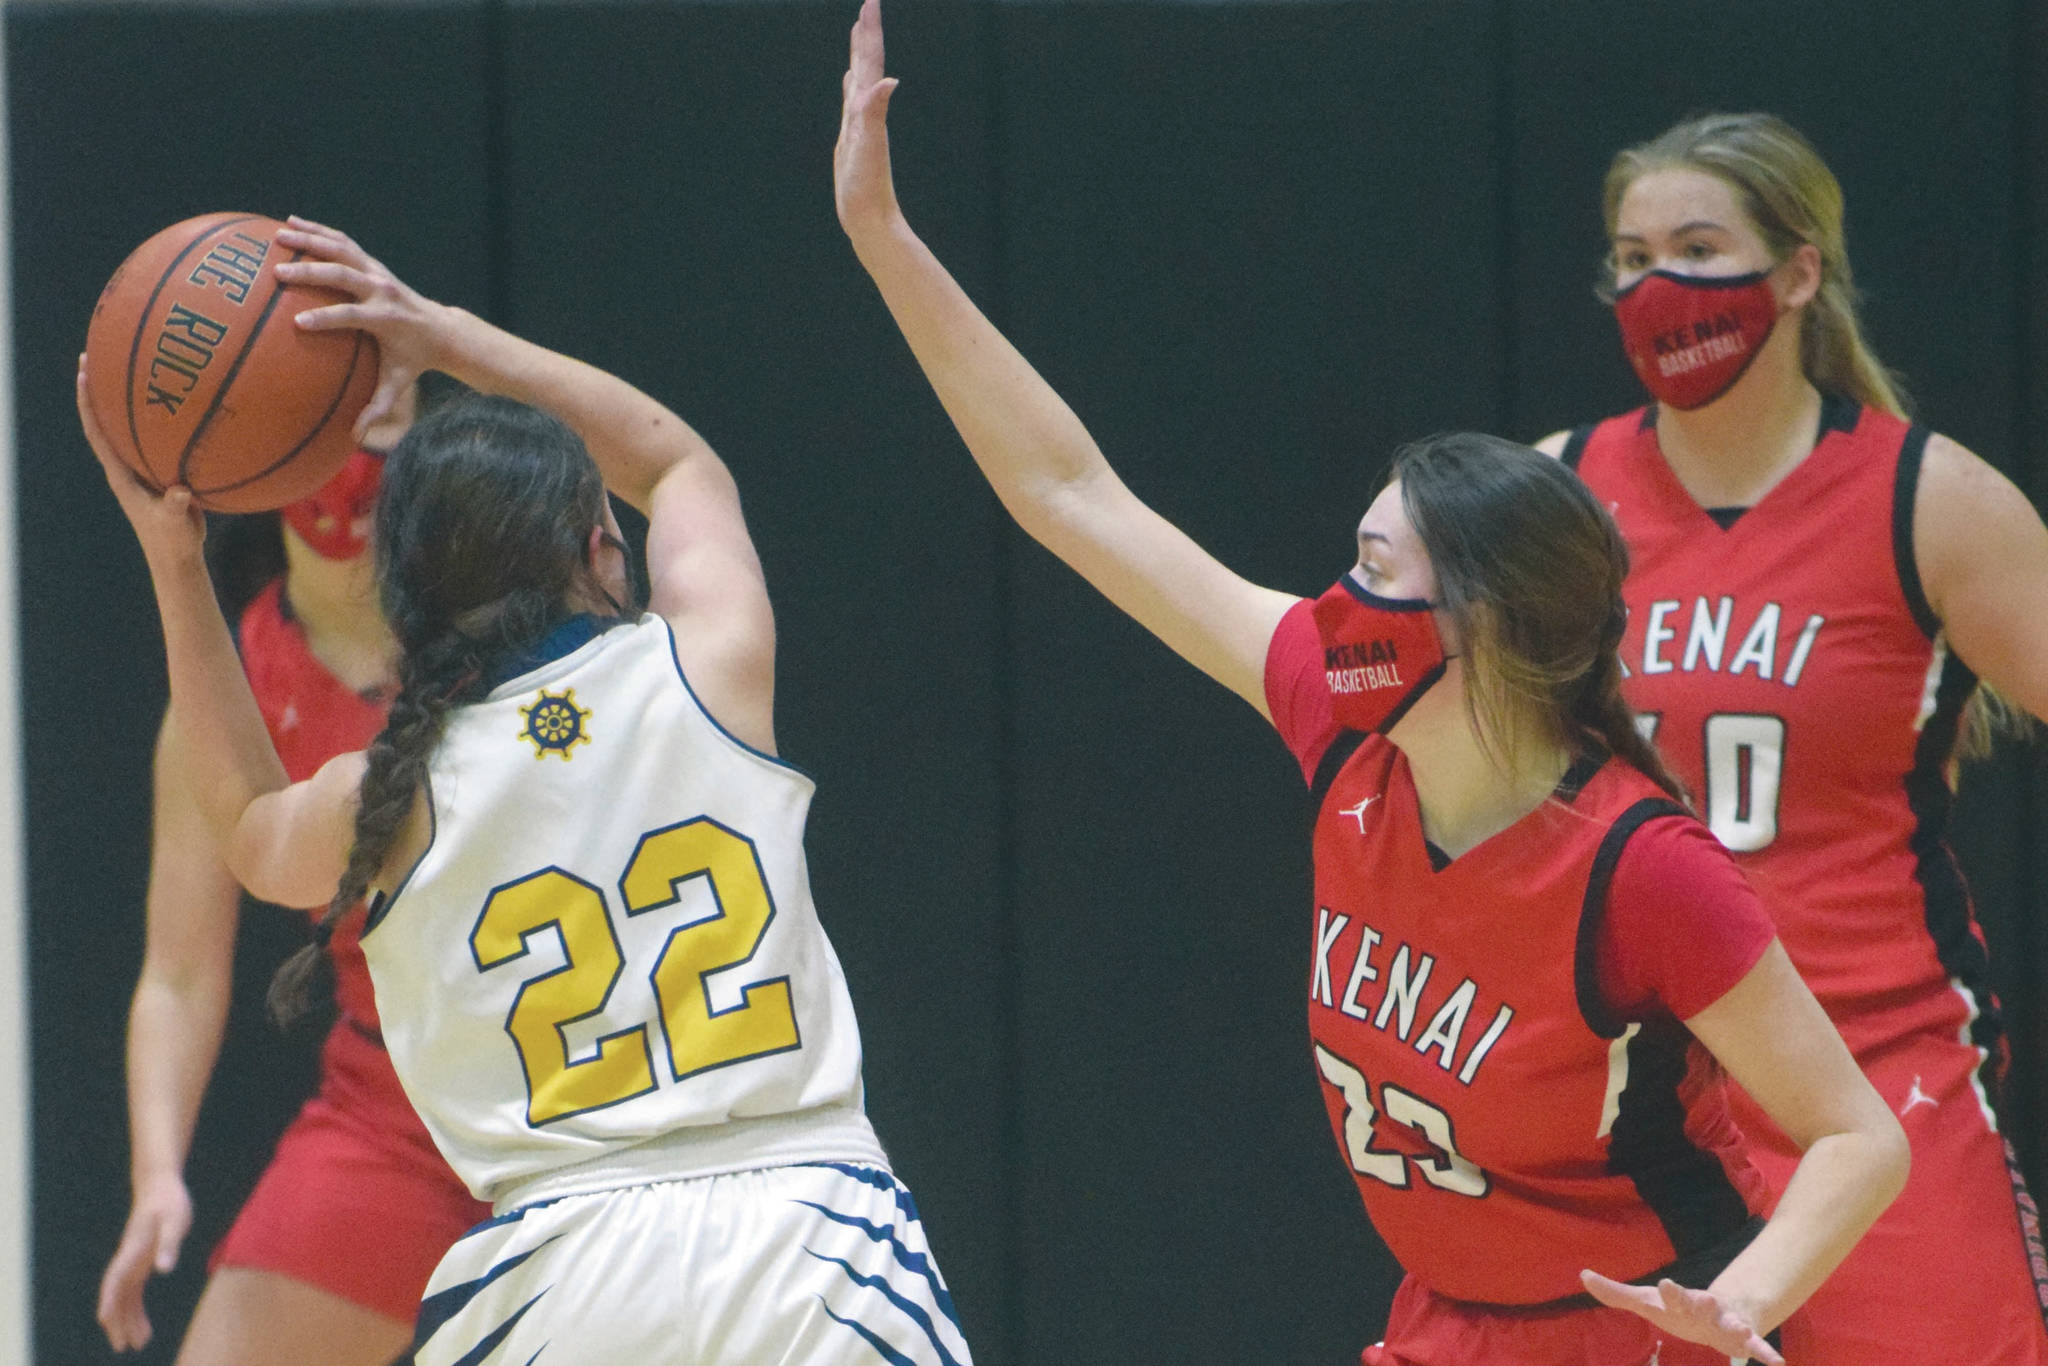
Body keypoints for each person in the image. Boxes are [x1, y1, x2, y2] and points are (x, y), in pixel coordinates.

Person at [833, 6, 1907, 1361]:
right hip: (1441, 1323)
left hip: (1628, 1335)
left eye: (1380, 570)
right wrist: (885, 240)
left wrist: (1745, 1299)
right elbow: (1070, 493)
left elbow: (1860, 1137)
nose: (1338, 601)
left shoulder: (1643, 867)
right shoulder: (1341, 721)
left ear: (1491, 622)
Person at [79, 215, 972, 1366]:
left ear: (406, 605)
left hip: (565, 1274)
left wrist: (171, 557)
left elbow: (248, 822)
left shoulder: (388, 789)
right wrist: (440, 334)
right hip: (811, 1242)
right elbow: (677, 457)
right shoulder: (706, 664)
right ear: (605, 542)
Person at [1534, 112, 2048, 1364]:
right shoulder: (1554, 495)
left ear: (1800, 269)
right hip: (1633, 1098)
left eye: (1698, 247)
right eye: (1629, 254)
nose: (1655, 284)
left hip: (1878, 1069)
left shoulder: (1929, 499)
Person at [96, 397, 493, 1366]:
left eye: (368, 434)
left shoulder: (511, 632)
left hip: (582, 1097)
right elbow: (180, 975)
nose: (344, 474)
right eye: (314, 433)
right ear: (256, 467)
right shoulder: (225, 699)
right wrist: (157, 1173)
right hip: (393, 1114)